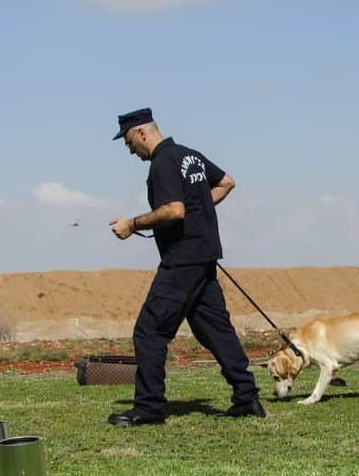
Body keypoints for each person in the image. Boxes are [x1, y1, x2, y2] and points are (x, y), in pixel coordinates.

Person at [108, 108, 264, 426]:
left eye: (127, 142)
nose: (129, 149)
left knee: (149, 332)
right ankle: (247, 398)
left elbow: (173, 210)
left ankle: (149, 407)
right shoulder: (188, 156)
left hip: (181, 260)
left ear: (141, 133)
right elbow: (226, 183)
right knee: (215, 330)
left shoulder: (162, 162)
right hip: (204, 256)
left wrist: (132, 223)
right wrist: (199, 206)